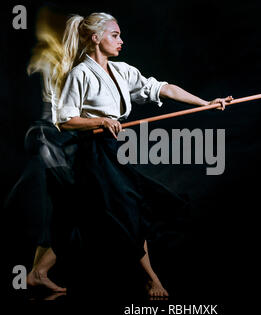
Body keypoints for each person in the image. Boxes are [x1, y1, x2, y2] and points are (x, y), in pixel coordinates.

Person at [23, 12, 233, 297]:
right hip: (89, 154)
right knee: (129, 208)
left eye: (119, 35)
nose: (121, 40)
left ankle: (37, 274)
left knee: (78, 213)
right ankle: (150, 279)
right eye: (114, 35)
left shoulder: (122, 71)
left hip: (112, 151)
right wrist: (100, 121)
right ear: (96, 38)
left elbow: (162, 87)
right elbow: (64, 119)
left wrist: (205, 103)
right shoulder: (80, 74)